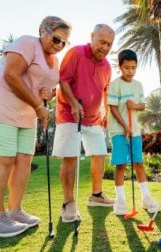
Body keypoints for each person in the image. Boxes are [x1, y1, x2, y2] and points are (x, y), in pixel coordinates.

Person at [0, 16, 71, 237]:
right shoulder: (27, 43)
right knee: (3, 159)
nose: (59, 45)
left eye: (64, 42)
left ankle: (15, 211)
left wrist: (48, 94)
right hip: (1, 106)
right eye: (56, 39)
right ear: (42, 31)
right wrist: (37, 105)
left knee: (24, 160)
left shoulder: (54, 61)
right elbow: (11, 75)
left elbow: (44, 88)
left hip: (26, 113)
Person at [52, 24, 115, 223]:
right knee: (70, 157)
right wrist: (72, 103)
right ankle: (68, 203)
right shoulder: (76, 52)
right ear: (92, 36)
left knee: (100, 153)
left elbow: (105, 90)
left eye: (109, 44)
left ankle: (96, 195)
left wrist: (106, 112)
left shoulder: (107, 66)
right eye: (102, 42)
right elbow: (63, 80)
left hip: (94, 118)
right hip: (70, 114)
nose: (105, 47)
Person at [107, 49, 160, 215]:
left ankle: (146, 198)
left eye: (133, 68)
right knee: (121, 164)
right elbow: (113, 107)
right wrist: (124, 126)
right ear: (120, 67)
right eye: (127, 67)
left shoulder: (138, 85)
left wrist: (134, 106)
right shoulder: (115, 85)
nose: (130, 71)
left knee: (138, 163)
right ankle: (120, 201)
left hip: (135, 131)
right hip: (119, 131)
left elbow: (142, 105)